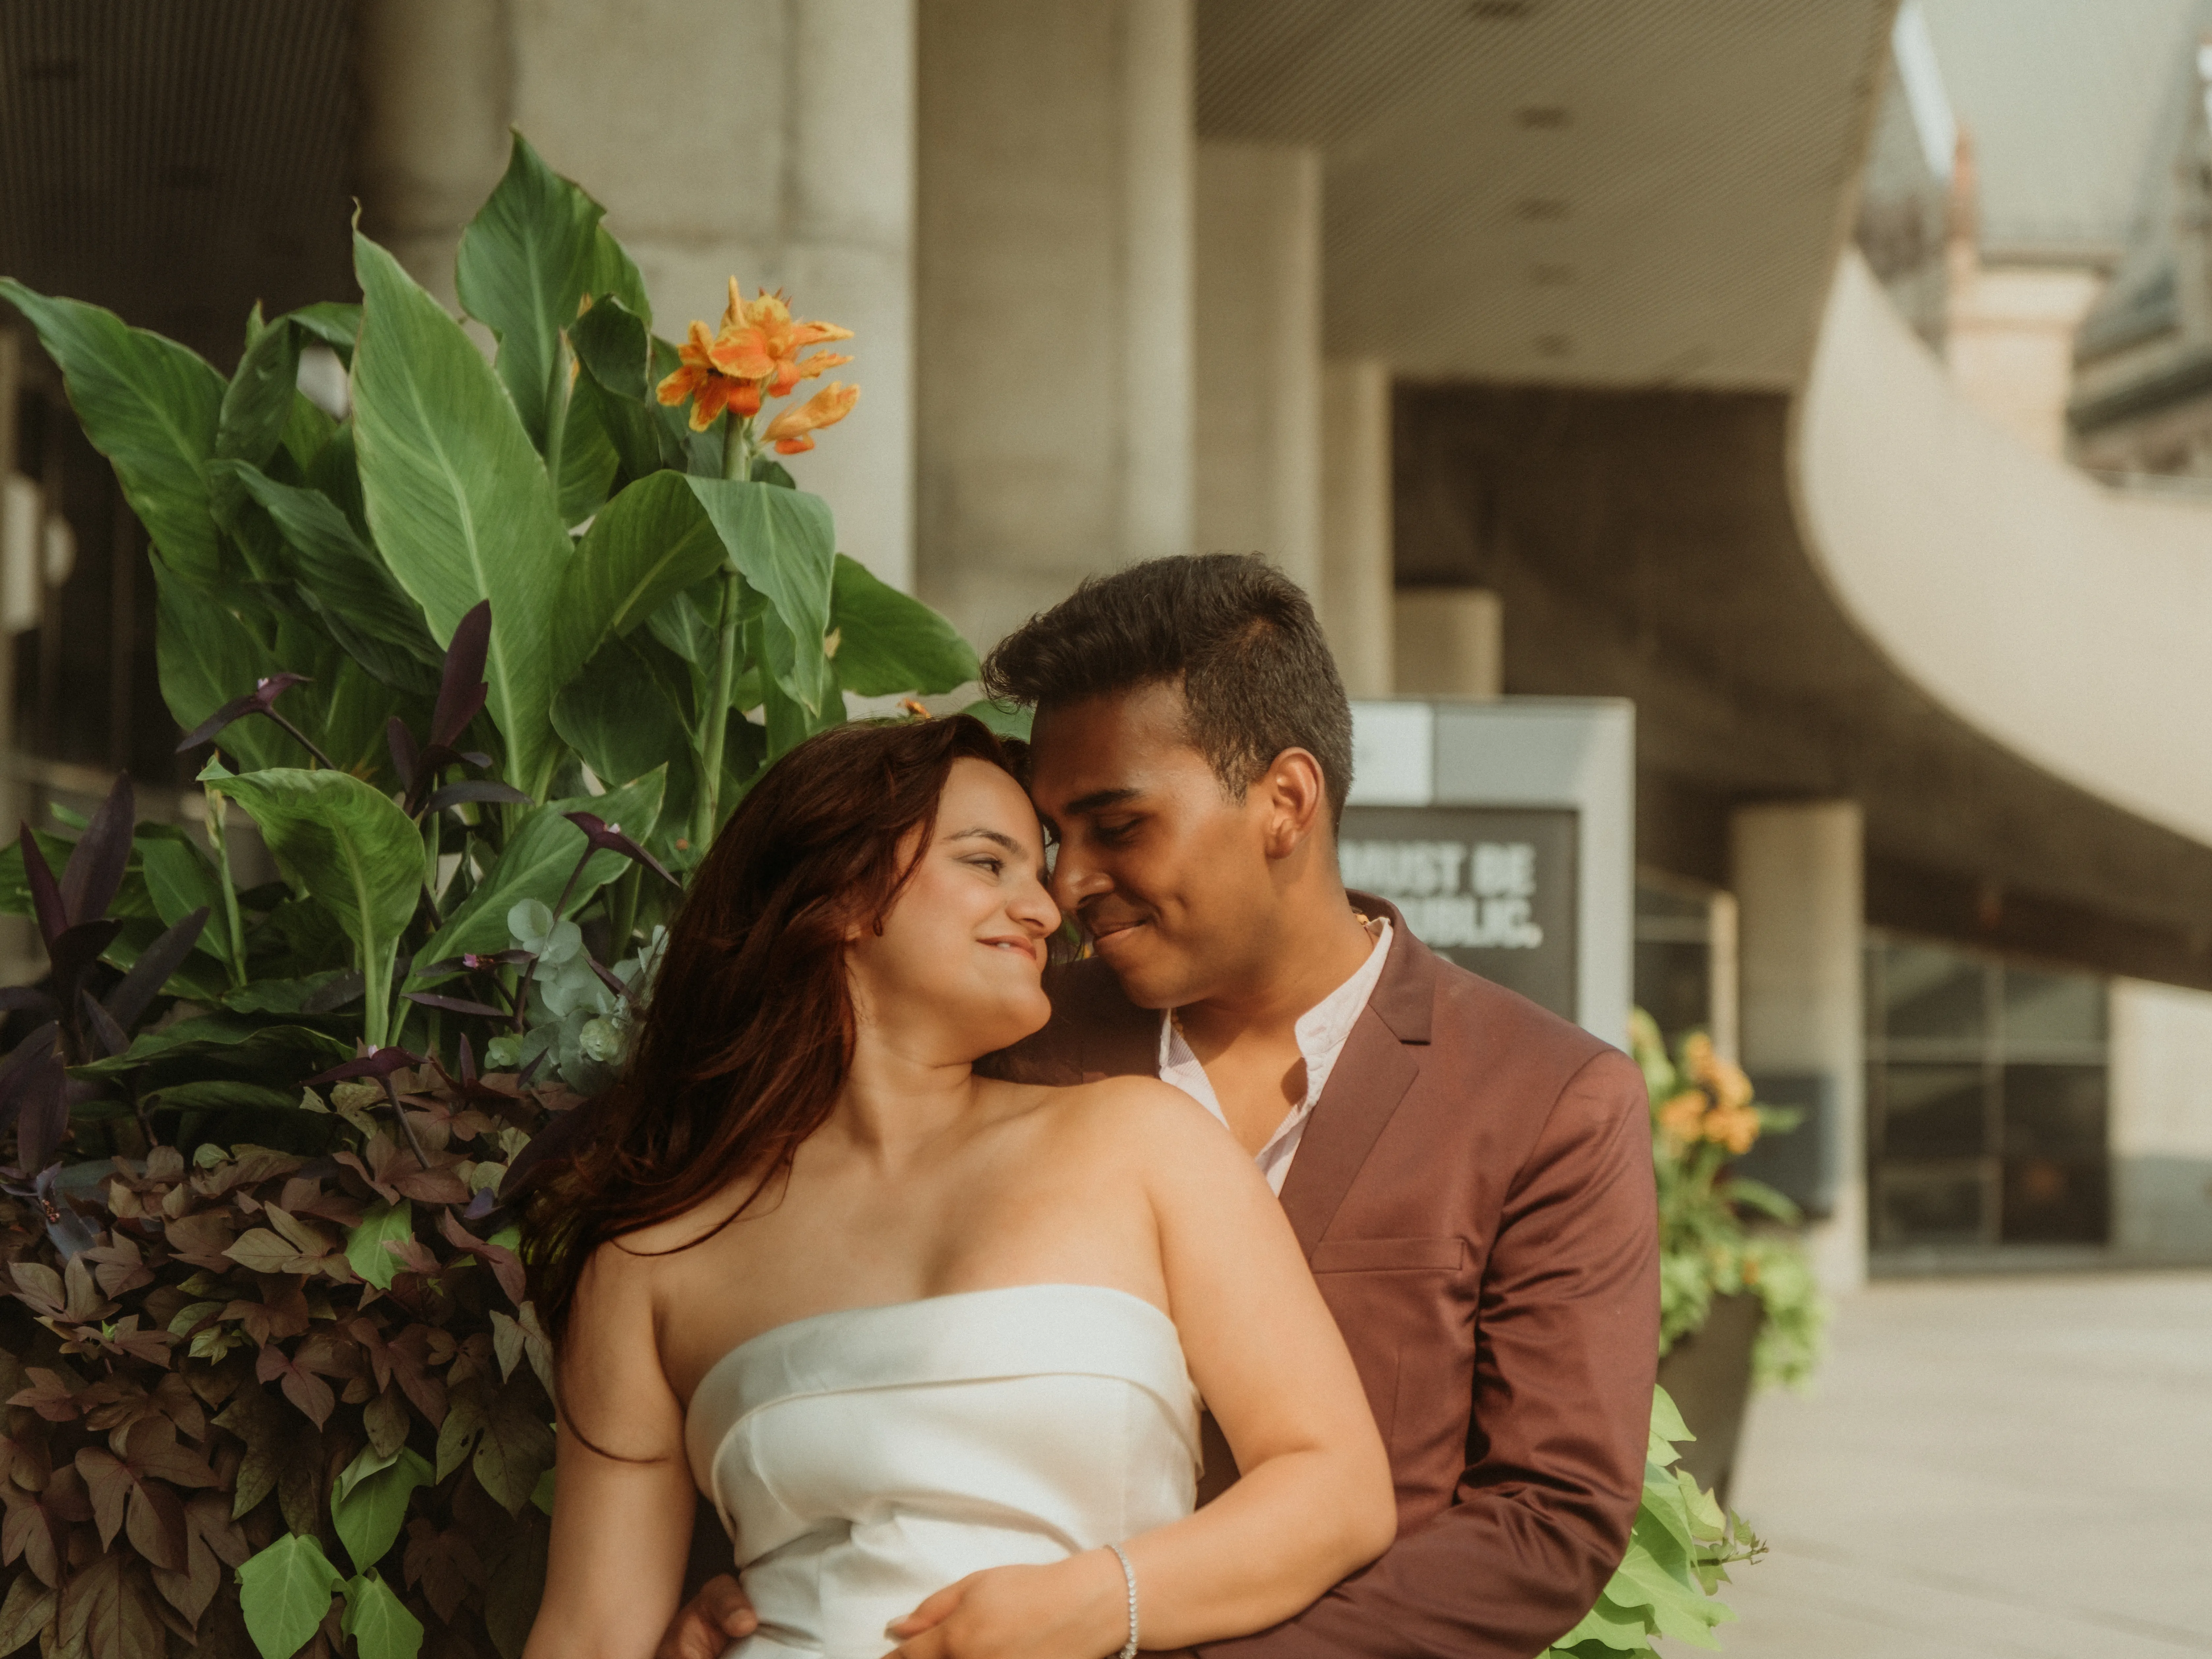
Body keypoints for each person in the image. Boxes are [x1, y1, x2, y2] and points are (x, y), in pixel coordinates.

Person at [659, 554, 1660, 1659]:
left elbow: (1546, 1522)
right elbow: (796, 1316)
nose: (1065, 886)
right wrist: (735, 1585)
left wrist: (1139, 1626)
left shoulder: (1546, 1099)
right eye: (1053, 839)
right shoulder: (1007, 1044)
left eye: (1118, 826)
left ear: (1285, 802)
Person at [518, 715, 1397, 1659]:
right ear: (842, 894)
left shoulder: (1147, 1143)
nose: (1046, 911)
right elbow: (590, 1635)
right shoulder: (652, 1258)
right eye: (988, 863)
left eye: (1036, 876)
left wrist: (1098, 1602)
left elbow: (1336, 1489)